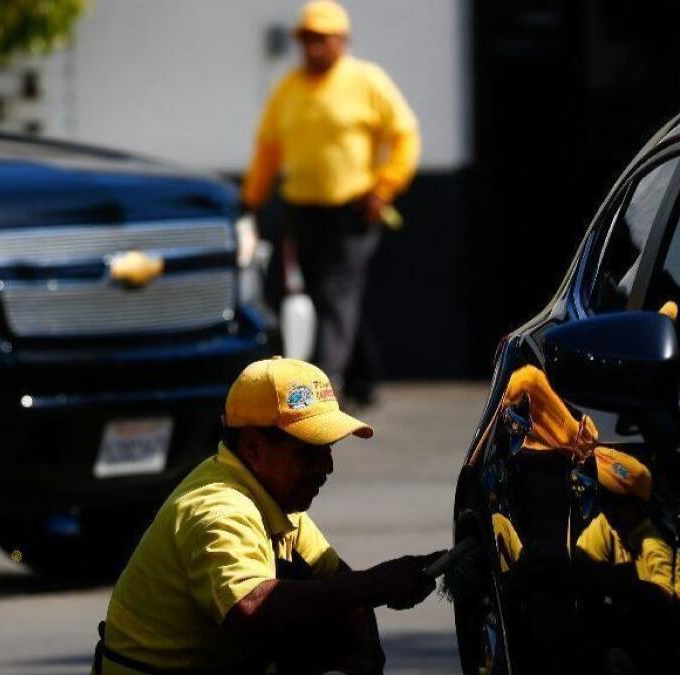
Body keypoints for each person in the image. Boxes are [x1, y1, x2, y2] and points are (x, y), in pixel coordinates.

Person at [95, 357, 442, 674]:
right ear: (252, 448)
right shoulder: (218, 508)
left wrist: (365, 654)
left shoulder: (274, 500)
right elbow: (250, 609)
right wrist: (375, 584)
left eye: (329, 449)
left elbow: (340, 583)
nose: (327, 466)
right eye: (308, 452)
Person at [242, 0, 420, 407]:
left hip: (353, 210)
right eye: (307, 39)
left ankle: (319, 392)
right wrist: (251, 199)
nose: (314, 48)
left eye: (322, 39)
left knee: (335, 295)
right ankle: (364, 379)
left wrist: (385, 187)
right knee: (329, 296)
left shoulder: (367, 81)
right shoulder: (288, 89)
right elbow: (268, 150)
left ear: (342, 41)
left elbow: (405, 135)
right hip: (302, 211)